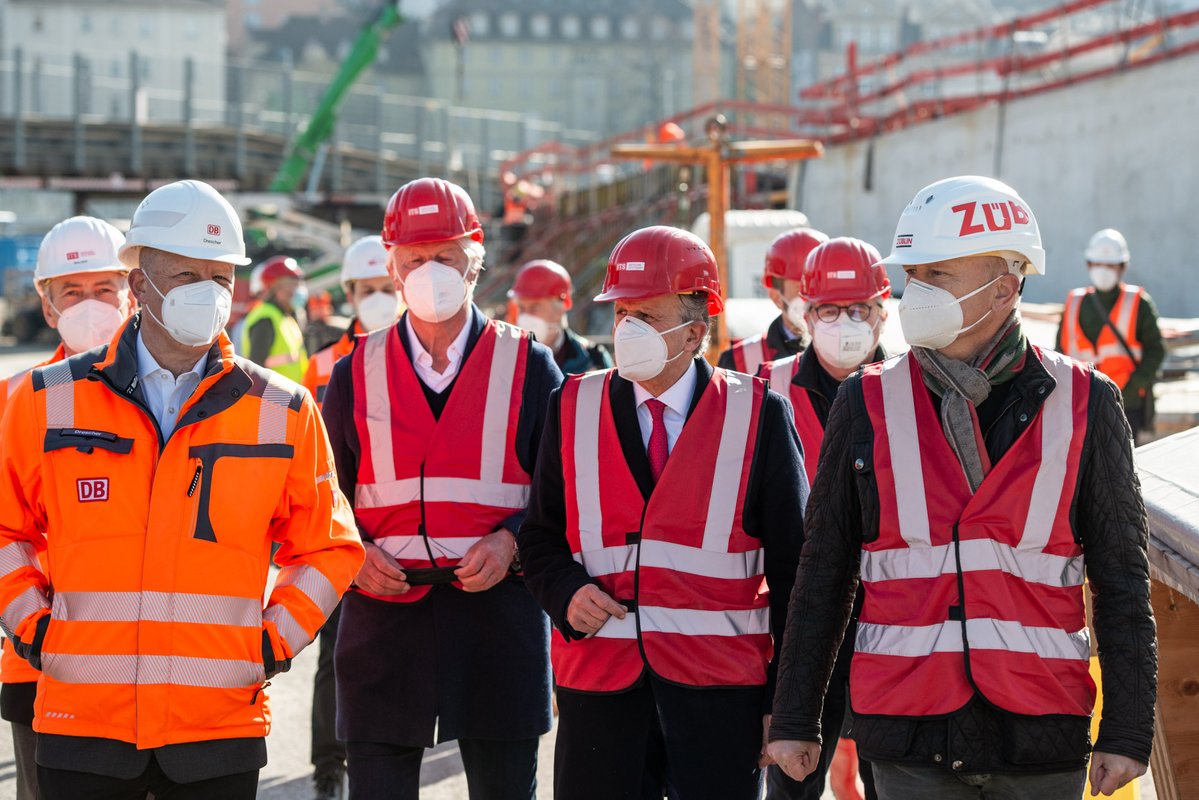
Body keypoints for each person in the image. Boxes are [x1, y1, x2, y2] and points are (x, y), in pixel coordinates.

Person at [767, 176, 1157, 800]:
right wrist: (795, 718)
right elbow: (823, 573)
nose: (914, 292)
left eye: (936, 275)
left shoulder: (1087, 403)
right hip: (907, 729)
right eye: (912, 274)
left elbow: (1121, 578)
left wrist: (1129, 729)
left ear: (1004, 285)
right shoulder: (864, 401)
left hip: (1040, 729)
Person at [0, 179, 364, 800]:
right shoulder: (46, 399)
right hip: (82, 723)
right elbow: (7, 530)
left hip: (217, 729)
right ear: (139, 283)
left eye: (221, 278)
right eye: (188, 274)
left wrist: (272, 642)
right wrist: (34, 628)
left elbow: (329, 548)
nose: (208, 293)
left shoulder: (284, 409)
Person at [519, 225, 808, 800]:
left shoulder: (760, 416)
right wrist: (565, 592)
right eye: (623, 312)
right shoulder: (571, 406)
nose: (628, 330)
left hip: (720, 700)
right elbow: (539, 537)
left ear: (695, 331)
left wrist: (788, 704)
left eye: (647, 316)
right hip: (600, 694)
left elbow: (797, 573)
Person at [322, 177, 562, 799]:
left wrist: (511, 542)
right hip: (382, 622)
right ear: (392, 264)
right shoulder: (353, 373)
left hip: (497, 619)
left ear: (475, 256)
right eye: (416, 259)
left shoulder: (531, 367)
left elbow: (562, 493)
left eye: (446, 257)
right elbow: (323, 499)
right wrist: (352, 558)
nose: (431, 272)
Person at [0, 215, 133, 800]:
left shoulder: (174, 389)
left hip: (150, 663)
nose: (90, 304)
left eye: (105, 289)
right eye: (72, 292)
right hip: (41, 661)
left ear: (132, 294)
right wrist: (35, 631)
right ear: (48, 307)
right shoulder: (14, 397)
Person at [757, 236, 890, 800]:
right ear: (804, 314)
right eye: (831, 311)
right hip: (800, 625)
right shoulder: (765, 391)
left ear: (884, 313)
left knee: (893, 781)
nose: (846, 323)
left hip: (895, 623)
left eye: (860, 309)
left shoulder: (917, 389)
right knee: (793, 782)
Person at [300, 233, 401, 800]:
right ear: (349, 293)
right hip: (339, 530)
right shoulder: (321, 366)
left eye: (387, 287)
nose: (379, 298)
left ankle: (379, 757)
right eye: (368, 290)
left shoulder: (423, 361)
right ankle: (329, 765)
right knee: (335, 655)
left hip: (400, 532)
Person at [1057, 228, 1165, 440]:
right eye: (1097, 264)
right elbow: (1060, 353)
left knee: (1124, 469)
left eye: (1110, 265)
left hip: (1126, 404)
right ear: (1088, 265)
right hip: (1082, 403)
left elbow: (1156, 349)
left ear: (1122, 267)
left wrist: (1133, 388)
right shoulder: (1075, 302)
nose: (1102, 270)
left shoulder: (1138, 303)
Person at [718, 228, 828, 374]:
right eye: (802, 289)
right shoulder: (740, 361)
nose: (815, 299)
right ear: (776, 296)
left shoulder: (860, 353)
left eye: (823, 288)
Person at [508, 259, 612, 374]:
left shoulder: (593, 358)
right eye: (521, 308)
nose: (526, 316)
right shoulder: (506, 358)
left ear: (564, 304)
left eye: (535, 307)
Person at [241, 255, 310, 381]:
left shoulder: (287, 318)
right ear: (275, 287)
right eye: (293, 284)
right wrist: (278, 400)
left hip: (292, 397)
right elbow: (256, 372)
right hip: (274, 399)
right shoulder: (265, 318)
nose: (298, 290)